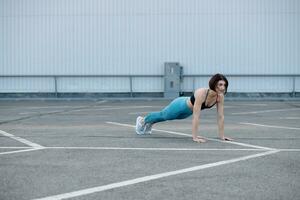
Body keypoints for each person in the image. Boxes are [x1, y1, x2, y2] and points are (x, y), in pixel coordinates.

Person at [135, 73, 233, 143]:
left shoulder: (220, 97)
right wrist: (195, 137)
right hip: (180, 105)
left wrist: (222, 136)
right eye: (220, 85)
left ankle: (150, 122)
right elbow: (196, 117)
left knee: (167, 118)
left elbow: (220, 117)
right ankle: (143, 120)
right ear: (214, 84)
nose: (223, 88)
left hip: (187, 112)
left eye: (224, 85)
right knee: (164, 115)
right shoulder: (202, 93)